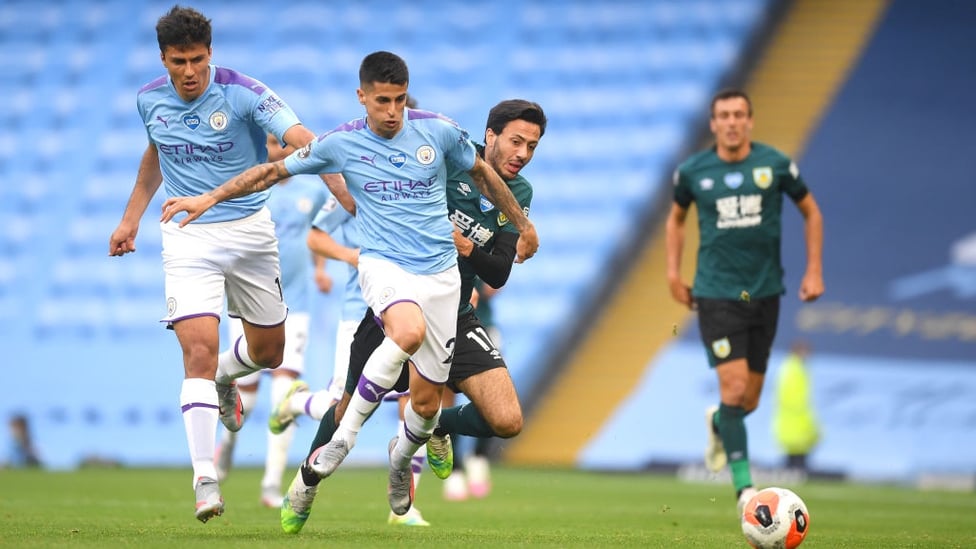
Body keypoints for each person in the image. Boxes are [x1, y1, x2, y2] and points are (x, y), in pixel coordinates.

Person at [158, 52, 539, 524]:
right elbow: (274, 173)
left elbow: (492, 229)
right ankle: (310, 478)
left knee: (450, 411)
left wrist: (522, 227)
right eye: (383, 101)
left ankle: (404, 457)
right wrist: (210, 196)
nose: (393, 111)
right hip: (387, 280)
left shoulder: (442, 136)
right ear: (363, 97)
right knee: (390, 350)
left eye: (400, 101)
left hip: (448, 297)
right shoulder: (346, 145)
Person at [268, 98, 546, 533]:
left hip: (454, 316)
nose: (523, 154)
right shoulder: (445, 158)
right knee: (346, 409)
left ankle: (435, 426)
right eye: (516, 141)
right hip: (400, 308)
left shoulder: (518, 194)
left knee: (508, 420)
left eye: (532, 146)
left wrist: (466, 244)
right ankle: (304, 485)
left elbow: (500, 270)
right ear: (489, 136)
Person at [108, 5, 318, 523]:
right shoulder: (148, 100)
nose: (188, 71)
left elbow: (305, 142)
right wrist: (130, 218)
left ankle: (229, 376)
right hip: (186, 236)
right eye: (178, 61)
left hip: (249, 232)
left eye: (197, 60)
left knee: (269, 352)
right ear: (163, 58)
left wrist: (335, 180)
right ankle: (205, 477)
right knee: (197, 350)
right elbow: (156, 152)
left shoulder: (244, 92)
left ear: (210, 55)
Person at [665, 88, 824, 513]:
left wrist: (813, 270)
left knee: (746, 400)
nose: (732, 122)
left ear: (750, 120)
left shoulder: (774, 165)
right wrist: (673, 272)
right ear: (714, 123)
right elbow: (676, 219)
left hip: (766, 293)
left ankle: (719, 423)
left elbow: (812, 211)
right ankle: (745, 491)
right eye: (724, 115)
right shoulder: (694, 171)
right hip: (716, 294)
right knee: (733, 387)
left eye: (739, 114)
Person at [214, 134, 330, 508]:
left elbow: (318, 233)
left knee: (283, 394)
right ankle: (227, 446)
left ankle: (271, 481)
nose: (278, 150)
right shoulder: (248, 189)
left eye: (283, 144)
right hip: (250, 305)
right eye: (270, 143)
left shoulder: (311, 192)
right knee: (241, 395)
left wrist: (321, 268)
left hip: (295, 305)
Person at [772, 340, 820, 472]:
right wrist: (809, 422)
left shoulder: (792, 368)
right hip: (795, 421)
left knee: (795, 458)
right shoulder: (793, 370)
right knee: (796, 461)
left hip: (793, 421)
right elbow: (795, 400)